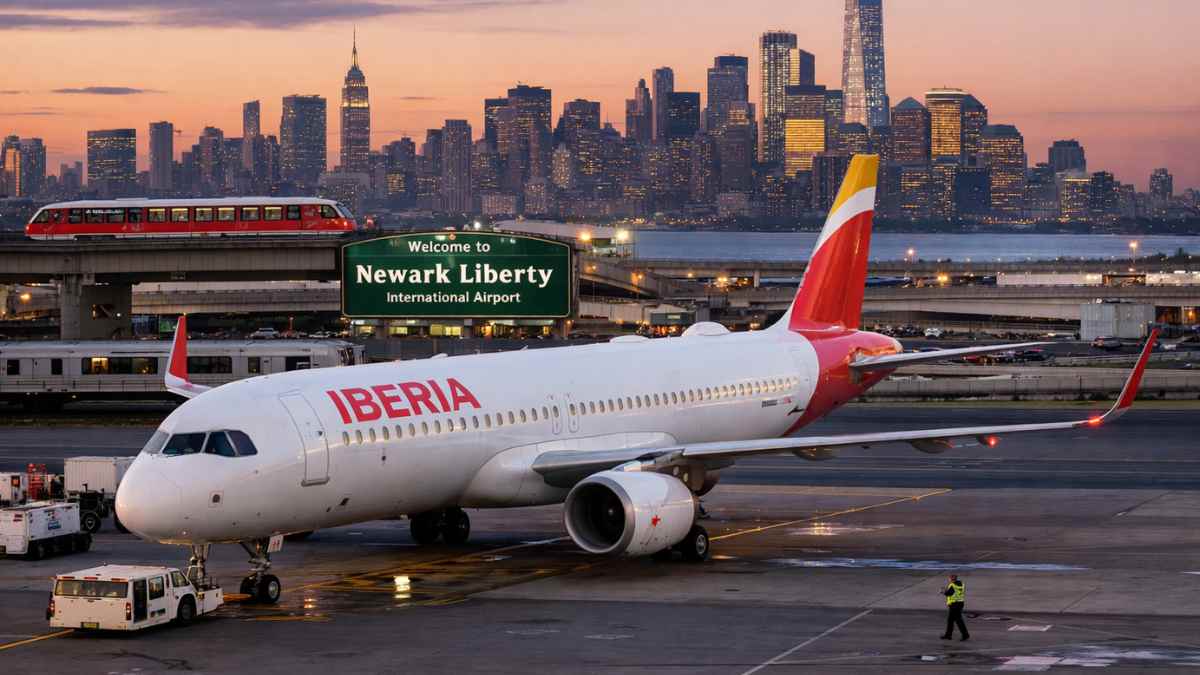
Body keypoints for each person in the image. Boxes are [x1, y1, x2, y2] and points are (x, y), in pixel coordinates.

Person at [941, 574, 969, 641]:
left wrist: (943, 592)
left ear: (951, 579)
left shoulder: (952, 585)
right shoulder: (962, 584)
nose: (949, 580)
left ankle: (965, 635)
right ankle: (948, 635)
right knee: (950, 620)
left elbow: (949, 594)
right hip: (960, 603)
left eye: (950, 578)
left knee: (958, 620)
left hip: (954, 605)